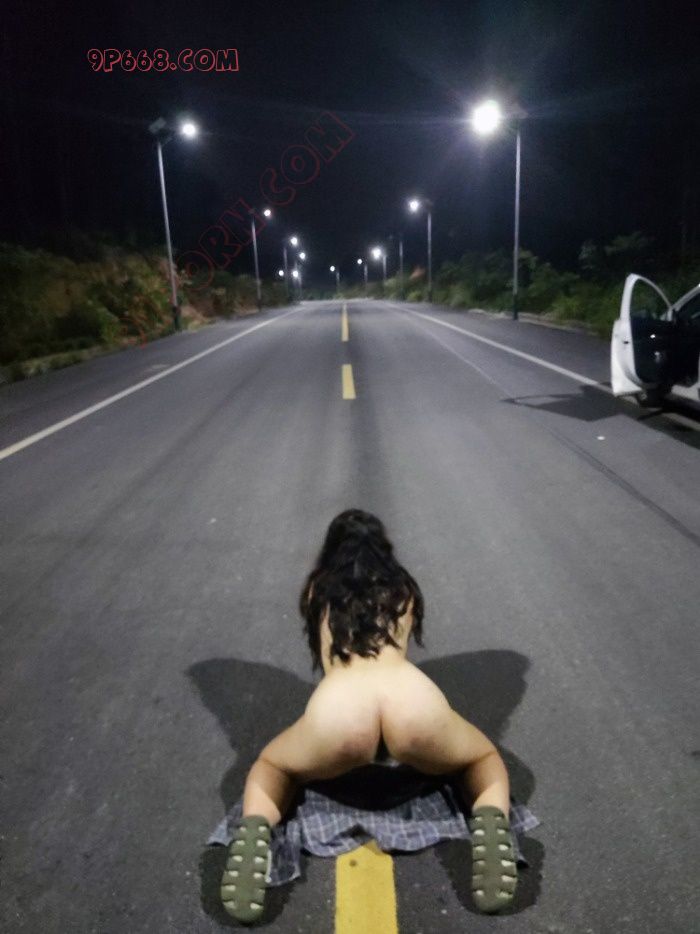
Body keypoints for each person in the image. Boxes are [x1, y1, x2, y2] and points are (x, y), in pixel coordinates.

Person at [221, 509, 518, 924]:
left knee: (272, 766)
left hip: (341, 710)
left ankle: (254, 838)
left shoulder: (318, 589)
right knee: (481, 759)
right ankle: (492, 834)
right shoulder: (402, 589)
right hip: (411, 701)